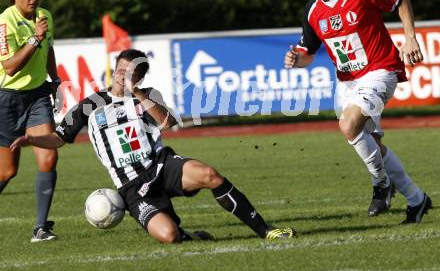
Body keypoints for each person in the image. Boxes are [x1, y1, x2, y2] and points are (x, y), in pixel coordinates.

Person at [11, 49, 296, 243]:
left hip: (162, 165)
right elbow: (59, 138)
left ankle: (266, 230)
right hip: (132, 188)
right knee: (169, 236)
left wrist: (136, 92)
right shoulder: (90, 105)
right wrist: (33, 139)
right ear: (114, 69)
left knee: (210, 175)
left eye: (131, 73)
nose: (123, 76)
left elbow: (168, 122)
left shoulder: (146, 96)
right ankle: (190, 236)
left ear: (140, 77)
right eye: (121, 70)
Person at [284, 0, 432, 224]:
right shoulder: (312, 12)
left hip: (380, 70)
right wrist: (296, 59)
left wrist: (410, 37)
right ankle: (417, 199)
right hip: (347, 83)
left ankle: (381, 183)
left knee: (348, 124)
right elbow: (308, 55)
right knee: (373, 144)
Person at [0, 0, 62, 242]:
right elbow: (10, 67)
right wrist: (35, 39)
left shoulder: (45, 16)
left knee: (49, 156)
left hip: (37, 95)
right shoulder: (4, 23)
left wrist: (56, 80)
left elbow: (49, 48)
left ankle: (40, 228)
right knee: (7, 171)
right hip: (7, 100)